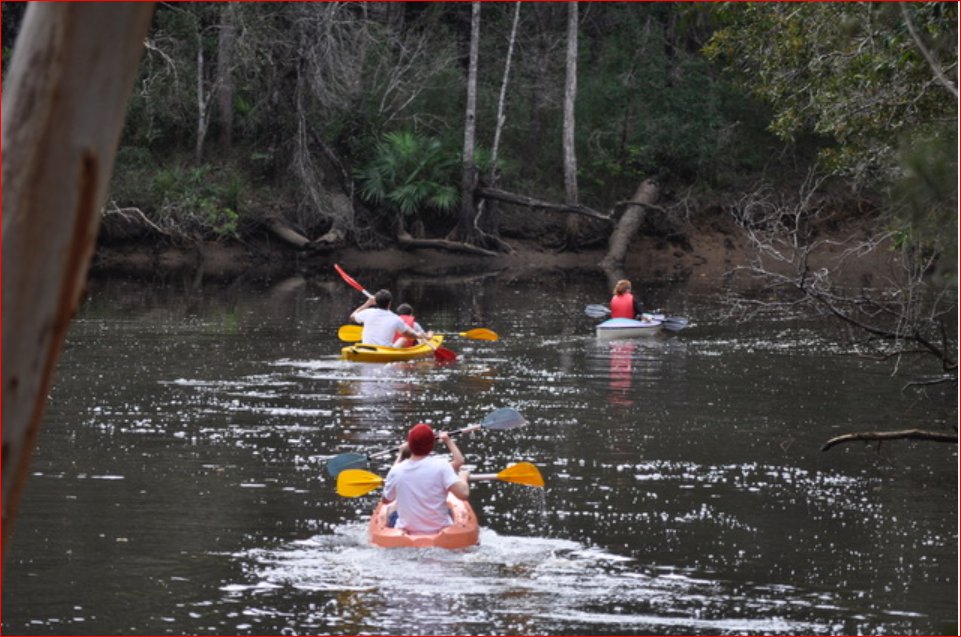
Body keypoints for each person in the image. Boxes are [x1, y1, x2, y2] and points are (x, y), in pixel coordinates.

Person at [382, 423, 470, 534]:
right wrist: (463, 477)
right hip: (439, 531)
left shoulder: (396, 470)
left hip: (406, 533)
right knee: (449, 509)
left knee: (390, 509)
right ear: (432, 445)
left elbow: (386, 500)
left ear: (410, 444)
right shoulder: (442, 465)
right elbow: (463, 494)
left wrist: (400, 454)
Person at [350, 289, 432, 347]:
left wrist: (367, 304)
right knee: (403, 339)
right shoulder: (395, 319)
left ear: (376, 302)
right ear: (389, 303)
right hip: (385, 351)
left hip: (366, 348)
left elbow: (352, 316)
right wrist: (419, 335)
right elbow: (410, 336)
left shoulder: (367, 312)